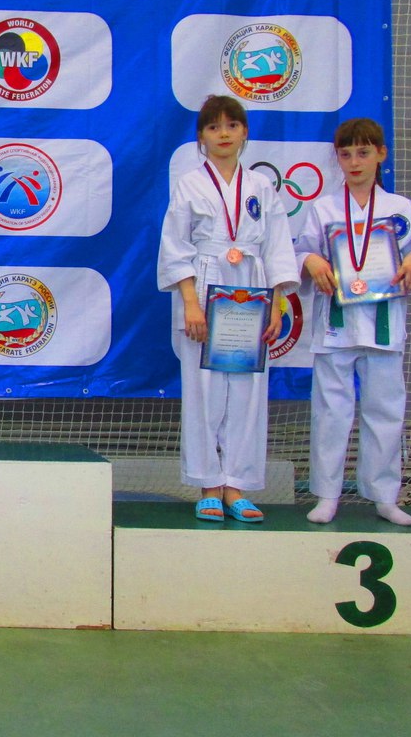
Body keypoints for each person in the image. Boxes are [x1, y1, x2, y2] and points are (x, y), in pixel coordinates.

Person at [295, 118, 411, 526]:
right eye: (346, 154)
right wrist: (310, 260)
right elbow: (300, 253)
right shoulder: (323, 208)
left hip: (383, 324)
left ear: (381, 154)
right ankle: (327, 494)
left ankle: (384, 497)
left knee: (385, 411)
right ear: (337, 159)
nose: (355, 162)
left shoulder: (400, 209)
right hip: (336, 326)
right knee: (330, 413)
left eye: (363, 153)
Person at [158, 95, 298, 522]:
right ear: (201, 137)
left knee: (247, 391)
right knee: (203, 390)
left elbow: (277, 247)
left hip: (252, 287)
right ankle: (207, 484)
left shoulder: (261, 187)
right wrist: (190, 304)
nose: (223, 134)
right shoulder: (189, 184)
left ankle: (236, 485)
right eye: (214, 127)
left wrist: (277, 305)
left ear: (244, 132)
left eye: (232, 126)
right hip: (204, 285)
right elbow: (175, 246)